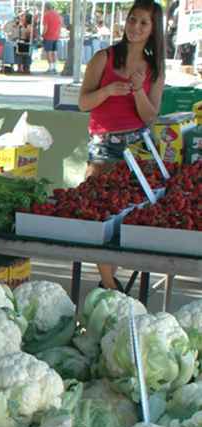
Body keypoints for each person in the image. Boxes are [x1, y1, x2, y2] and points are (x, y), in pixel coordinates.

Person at [78, 0, 164, 291]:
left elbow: (150, 115)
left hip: (138, 147)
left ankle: (111, 288)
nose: (135, 27)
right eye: (132, 20)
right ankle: (110, 287)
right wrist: (108, 90)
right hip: (103, 147)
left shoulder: (155, 68)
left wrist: (138, 91)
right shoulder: (104, 58)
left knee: (133, 218)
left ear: (153, 30)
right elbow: (83, 103)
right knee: (98, 216)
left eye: (143, 23)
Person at [42, 3, 62, 74]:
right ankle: (54, 67)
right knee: (54, 52)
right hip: (56, 36)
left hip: (48, 35)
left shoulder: (46, 15)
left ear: (46, 8)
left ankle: (50, 67)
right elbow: (60, 26)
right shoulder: (58, 15)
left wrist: (43, 34)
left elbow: (45, 27)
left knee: (49, 52)